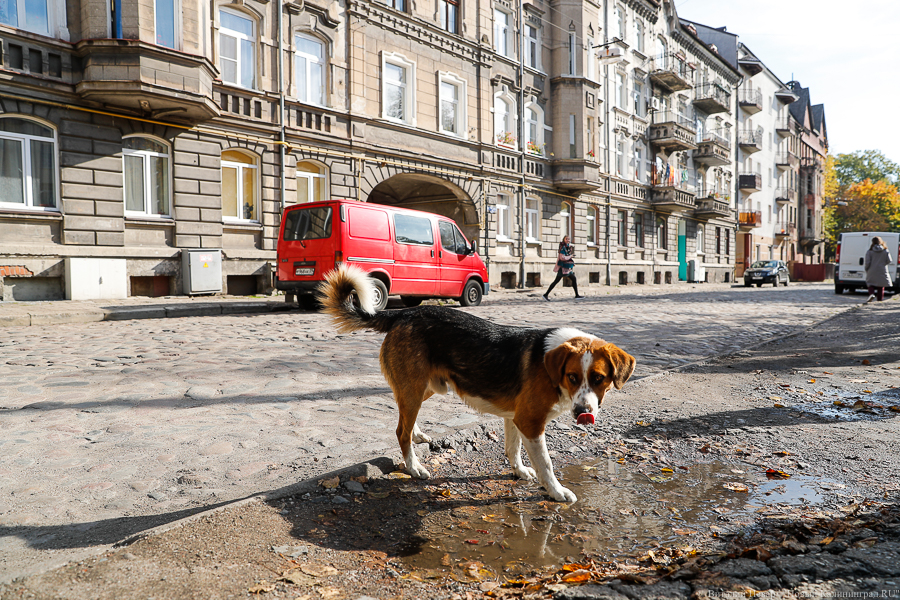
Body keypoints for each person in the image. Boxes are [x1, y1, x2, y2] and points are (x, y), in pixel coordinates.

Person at [543, 236, 585, 301]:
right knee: (556, 281)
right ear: (564, 240)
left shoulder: (568, 247)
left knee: (573, 278)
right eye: (566, 239)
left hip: (567, 267)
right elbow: (562, 258)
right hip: (562, 267)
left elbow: (568, 257)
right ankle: (545, 295)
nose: (568, 240)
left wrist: (571, 262)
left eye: (569, 239)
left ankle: (577, 295)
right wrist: (570, 256)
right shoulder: (562, 247)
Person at [864, 236, 893, 303]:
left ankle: (871, 294)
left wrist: (867, 269)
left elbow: (867, 262)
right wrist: (883, 263)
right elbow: (889, 260)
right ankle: (879, 301)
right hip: (882, 269)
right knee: (881, 285)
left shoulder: (870, 251)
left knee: (870, 283)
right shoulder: (885, 251)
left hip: (872, 269)